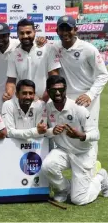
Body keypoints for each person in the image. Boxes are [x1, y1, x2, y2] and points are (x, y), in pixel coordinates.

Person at [41, 75, 108, 205]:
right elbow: (44, 132)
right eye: (54, 90)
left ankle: (100, 177)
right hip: (63, 151)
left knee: (78, 200)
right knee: (48, 166)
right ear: (48, 91)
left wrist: (81, 136)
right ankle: (63, 190)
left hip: (83, 154)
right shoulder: (47, 108)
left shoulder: (79, 109)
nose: (58, 93)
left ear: (66, 89)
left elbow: (96, 134)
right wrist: (52, 131)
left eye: (61, 89)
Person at [52, 15, 108, 153]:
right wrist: (40, 41)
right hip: (67, 98)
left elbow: (103, 74)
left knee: (88, 133)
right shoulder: (54, 48)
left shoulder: (88, 49)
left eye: (69, 29)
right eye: (62, 29)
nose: (65, 32)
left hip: (88, 99)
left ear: (75, 30)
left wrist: (90, 95)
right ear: (57, 31)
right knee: (67, 133)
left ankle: (92, 170)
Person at [4, 19, 60, 102]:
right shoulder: (13, 54)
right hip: (23, 102)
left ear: (35, 32)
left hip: (46, 101)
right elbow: (11, 81)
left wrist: (44, 98)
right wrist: (8, 93)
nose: (25, 36)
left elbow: (54, 77)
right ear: (17, 34)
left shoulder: (48, 49)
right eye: (22, 33)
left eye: (28, 32)